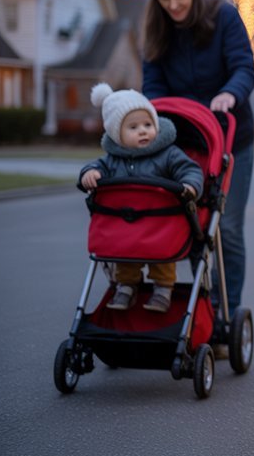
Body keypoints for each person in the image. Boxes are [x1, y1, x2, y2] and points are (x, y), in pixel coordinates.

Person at [141, 0, 254, 319]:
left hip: (231, 140)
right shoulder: (157, 30)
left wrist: (229, 94)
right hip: (182, 143)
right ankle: (202, 309)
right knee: (191, 226)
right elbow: (153, 86)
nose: (173, 5)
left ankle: (228, 312)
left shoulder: (223, 17)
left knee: (229, 229)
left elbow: (244, 67)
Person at [79, 83, 203, 313]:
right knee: (124, 256)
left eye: (148, 124)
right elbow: (97, 165)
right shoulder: (113, 159)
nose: (143, 131)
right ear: (117, 135)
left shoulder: (168, 153)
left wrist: (190, 186)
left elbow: (190, 169)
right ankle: (126, 286)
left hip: (162, 224)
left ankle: (163, 289)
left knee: (163, 258)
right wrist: (90, 173)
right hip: (125, 226)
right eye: (133, 127)